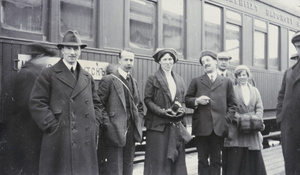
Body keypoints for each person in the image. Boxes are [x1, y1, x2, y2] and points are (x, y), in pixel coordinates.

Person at [29, 30, 102, 175]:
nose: (72, 52)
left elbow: (97, 104)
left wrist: (95, 122)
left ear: (80, 51)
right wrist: (52, 125)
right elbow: (36, 102)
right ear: (61, 50)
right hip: (60, 140)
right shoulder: (49, 74)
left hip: (84, 141)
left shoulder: (87, 77)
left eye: (76, 48)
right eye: (68, 48)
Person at [185, 50, 236, 175]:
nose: (205, 64)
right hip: (202, 127)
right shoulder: (196, 81)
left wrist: (226, 120)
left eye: (208, 60)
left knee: (216, 160)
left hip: (219, 128)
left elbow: (233, 105)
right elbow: (187, 100)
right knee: (202, 160)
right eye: (203, 62)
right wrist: (197, 100)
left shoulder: (226, 82)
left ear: (215, 61)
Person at [9, 44, 56, 174]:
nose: (47, 63)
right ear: (40, 57)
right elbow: (30, 105)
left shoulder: (30, 71)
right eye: (47, 59)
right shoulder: (30, 74)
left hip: (29, 133)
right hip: (29, 134)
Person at [143, 48, 190, 175]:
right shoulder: (152, 78)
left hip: (176, 125)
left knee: (177, 160)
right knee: (158, 159)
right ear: (159, 61)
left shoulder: (179, 79)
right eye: (164, 59)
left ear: (174, 61)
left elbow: (183, 100)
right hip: (158, 126)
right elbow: (148, 100)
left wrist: (182, 111)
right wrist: (162, 112)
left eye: (170, 59)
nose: (168, 62)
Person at [97, 49, 144, 175]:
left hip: (131, 131)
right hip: (114, 131)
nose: (129, 63)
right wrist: (108, 124)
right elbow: (98, 105)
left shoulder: (134, 82)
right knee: (114, 168)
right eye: (126, 59)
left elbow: (139, 106)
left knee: (128, 166)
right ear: (119, 60)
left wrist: (138, 122)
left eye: (131, 60)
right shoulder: (109, 80)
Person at [223, 65, 267, 175]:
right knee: (238, 156)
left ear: (248, 76)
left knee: (253, 155)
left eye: (244, 75)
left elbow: (259, 107)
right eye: (239, 75)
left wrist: (256, 119)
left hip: (253, 128)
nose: (242, 77)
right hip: (238, 128)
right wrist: (241, 119)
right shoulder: (232, 90)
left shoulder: (255, 90)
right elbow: (230, 107)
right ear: (236, 77)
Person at [276, 31, 300, 175]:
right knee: (291, 166)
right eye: (298, 47)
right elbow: (281, 96)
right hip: (289, 128)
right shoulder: (289, 72)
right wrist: (281, 118)